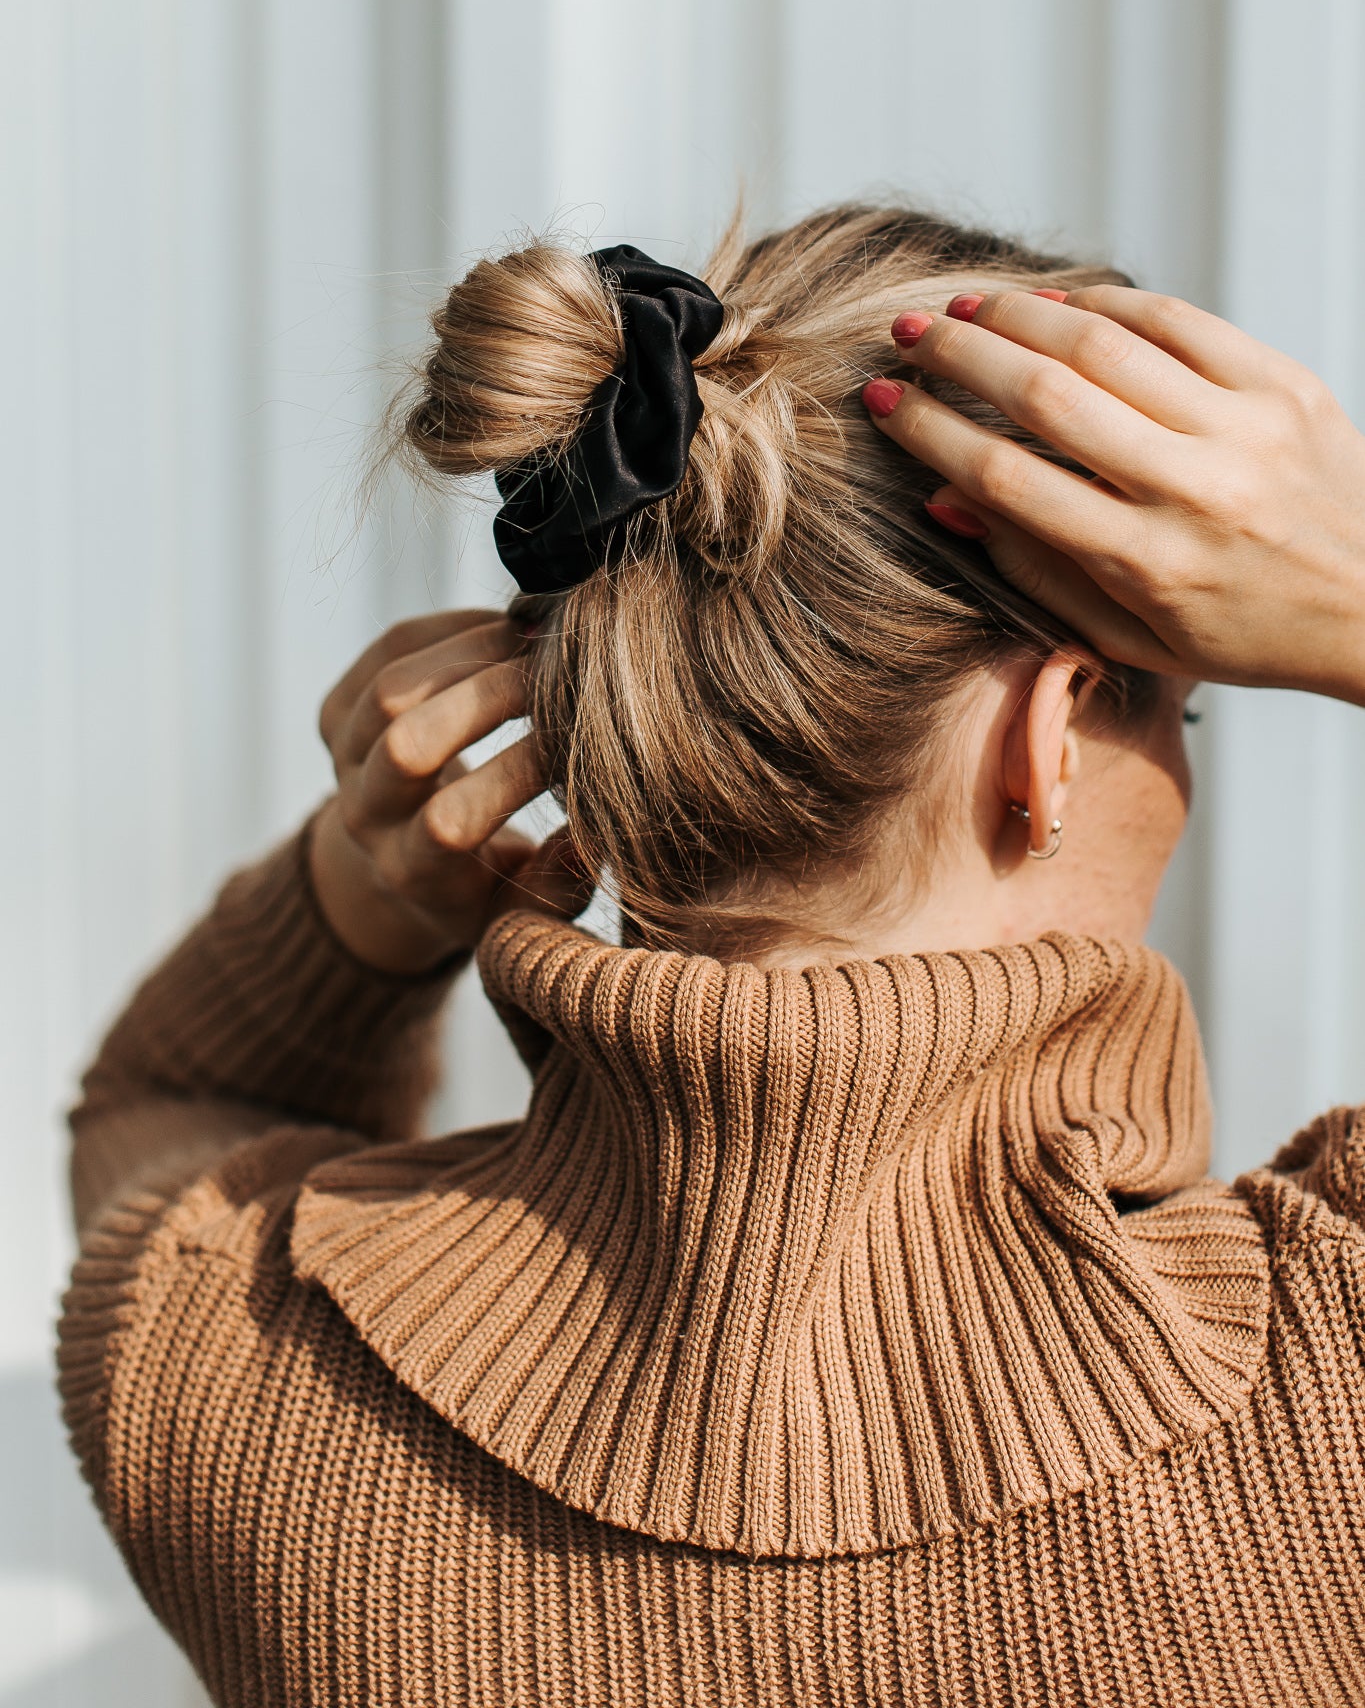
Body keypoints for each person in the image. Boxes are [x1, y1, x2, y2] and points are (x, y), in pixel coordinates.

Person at [58, 207, 1365, 1706]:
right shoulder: (1328, 1368)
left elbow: (172, 1097)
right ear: (1050, 732)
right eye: (1178, 713)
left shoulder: (231, 1360)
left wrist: (357, 907)